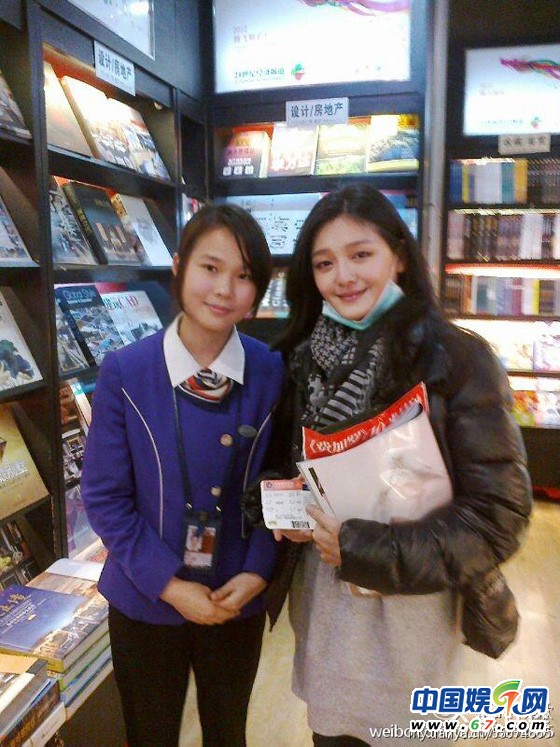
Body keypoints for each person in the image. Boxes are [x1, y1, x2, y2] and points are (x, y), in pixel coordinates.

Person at [245, 184, 532, 746]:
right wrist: (281, 506)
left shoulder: (457, 359)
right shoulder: (301, 360)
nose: (344, 276)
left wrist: (361, 548)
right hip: (328, 620)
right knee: (331, 734)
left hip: (414, 624)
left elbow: (497, 517)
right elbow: (278, 469)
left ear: (398, 255)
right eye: (324, 263)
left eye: (361, 254)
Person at [81, 203, 285, 747]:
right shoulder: (125, 371)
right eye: (210, 268)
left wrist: (259, 569)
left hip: (235, 595)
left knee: (228, 733)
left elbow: (279, 482)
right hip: (145, 598)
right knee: (149, 735)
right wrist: (169, 586)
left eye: (244, 276)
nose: (224, 289)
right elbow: (104, 496)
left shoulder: (270, 370)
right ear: (179, 266)